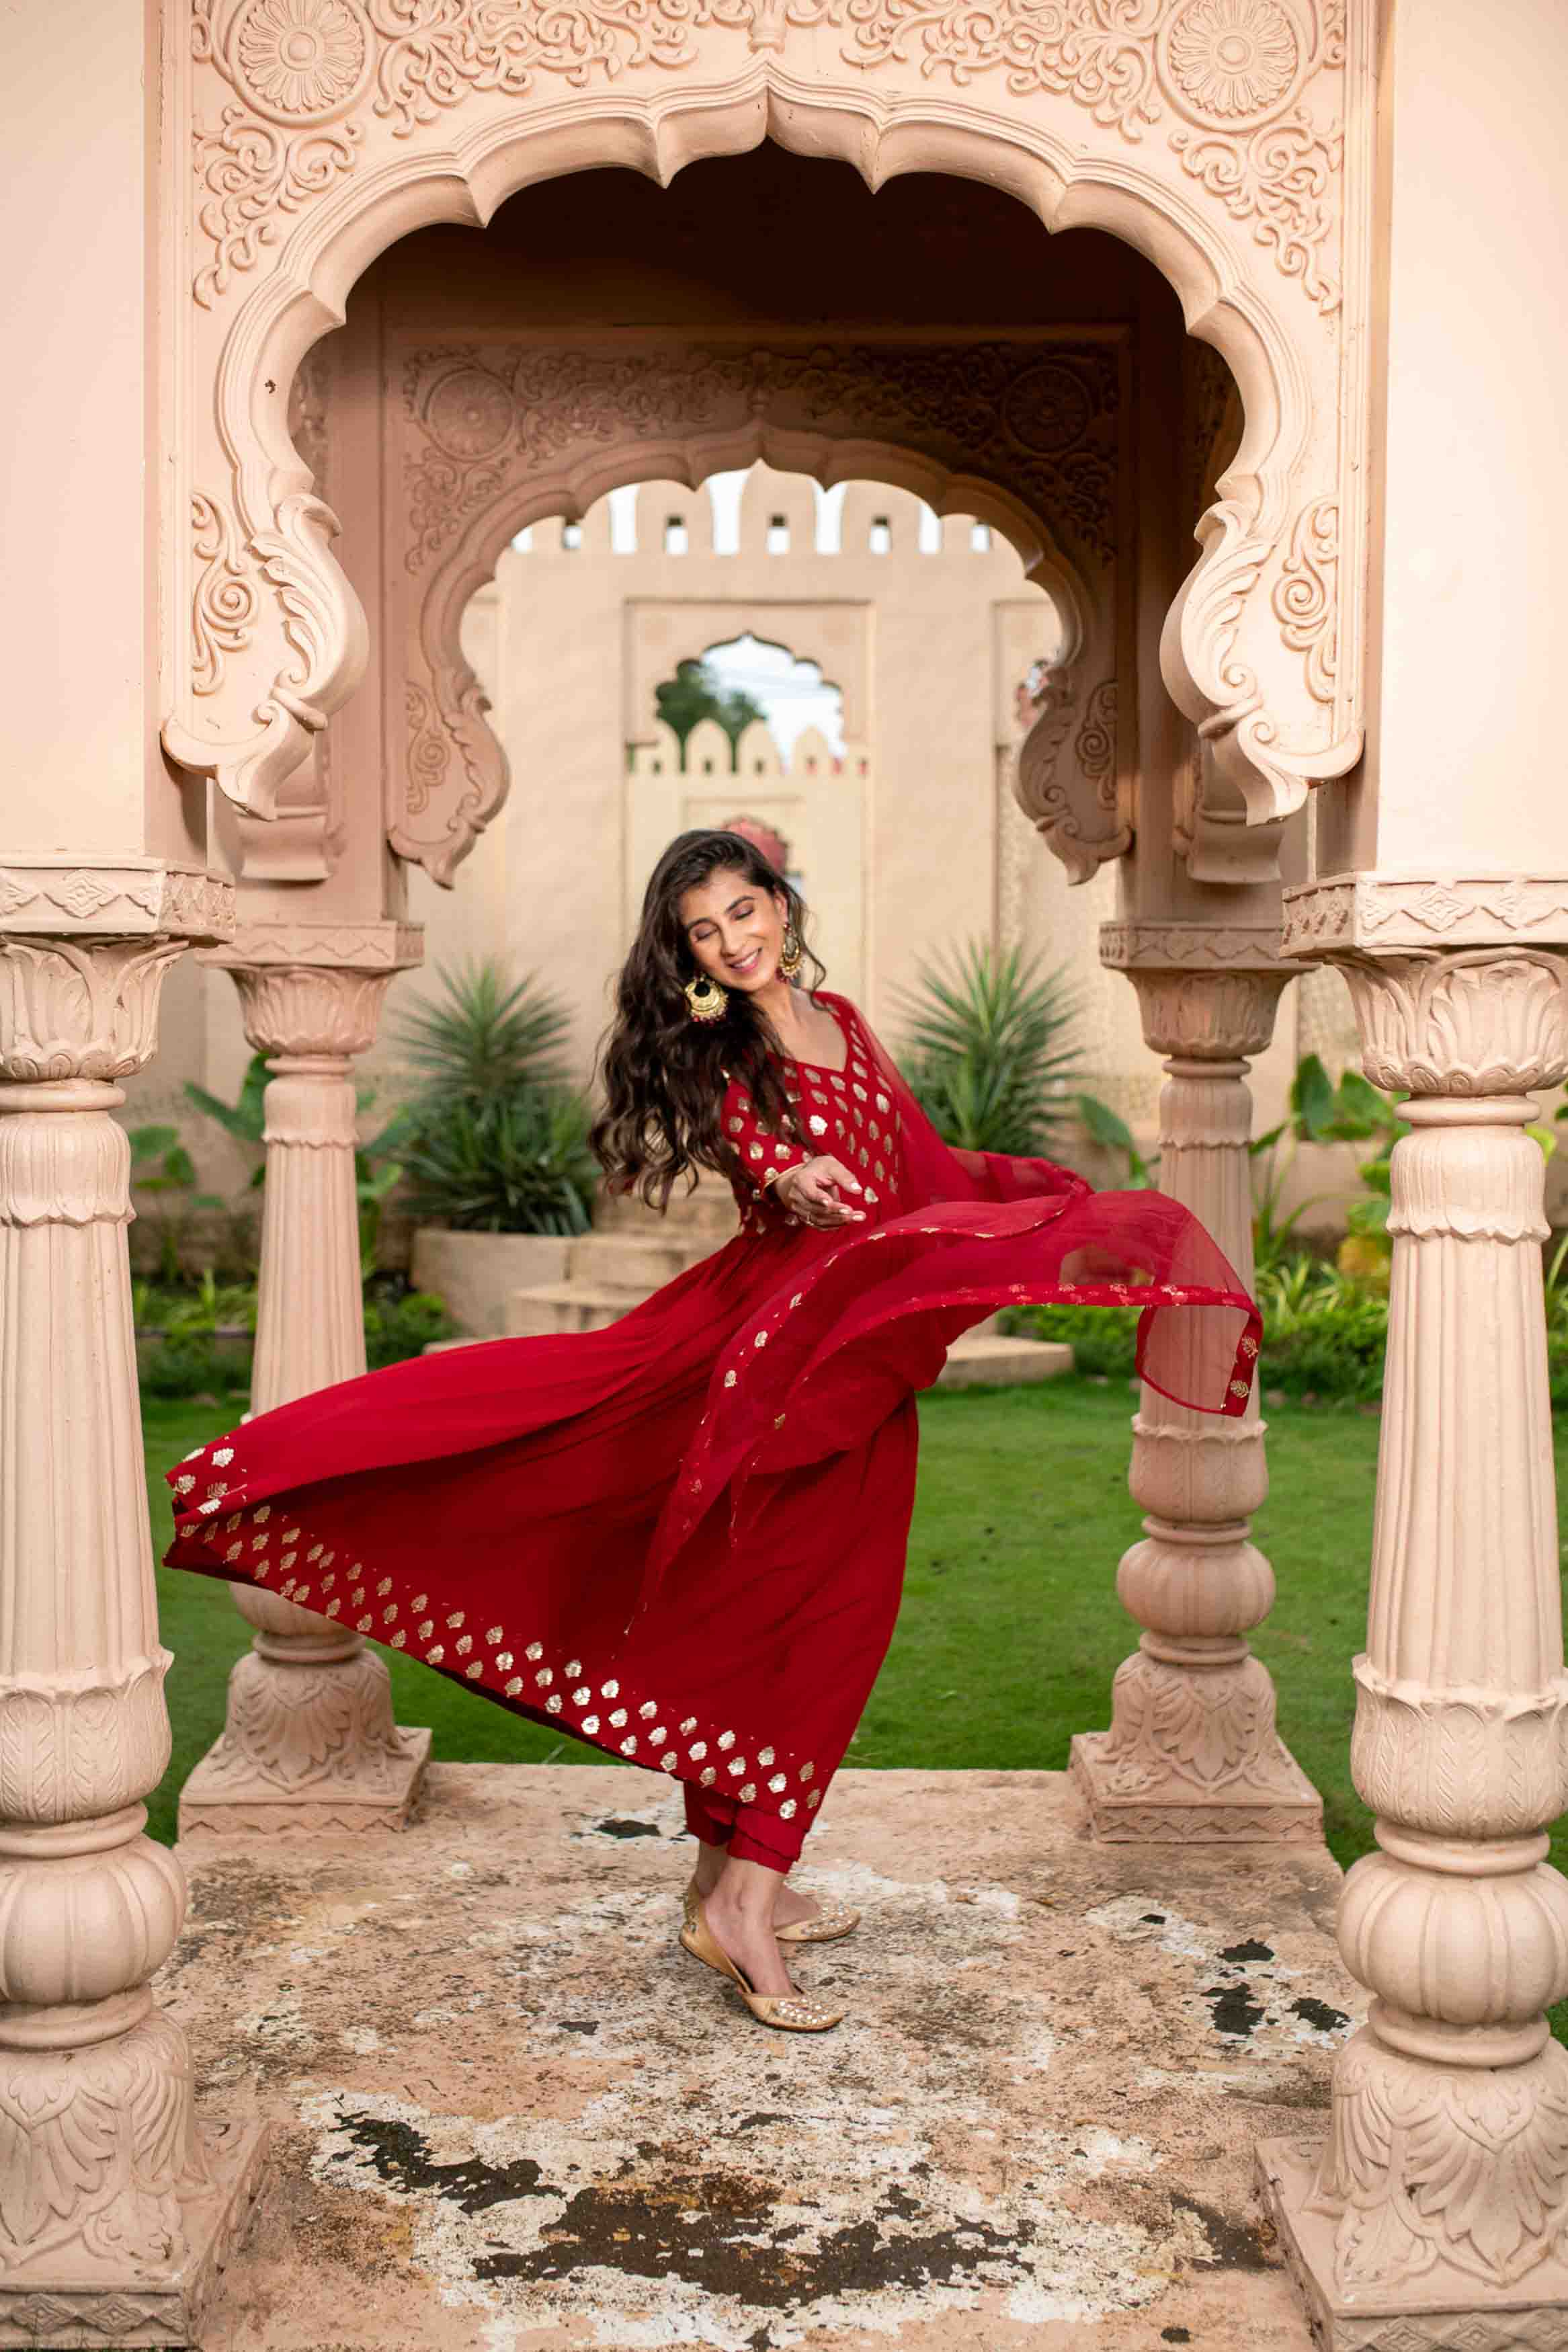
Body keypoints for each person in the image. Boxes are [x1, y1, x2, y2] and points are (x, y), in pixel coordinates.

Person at [166, 829, 1260, 2034]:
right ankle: (747, 1901)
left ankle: (720, 1880)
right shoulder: (726, 1051)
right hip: (767, 1356)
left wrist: (1034, 1208)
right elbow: (766, 1153)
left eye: (748, 911)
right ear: (684, 953)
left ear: (783, 905)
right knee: (813, 1615)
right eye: (705, 930)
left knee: (768, 1607)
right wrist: (793, 1181)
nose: (736, 942)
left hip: (850, 1356)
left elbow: (920, 1161)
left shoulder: (840, 1017)